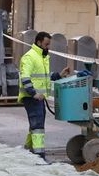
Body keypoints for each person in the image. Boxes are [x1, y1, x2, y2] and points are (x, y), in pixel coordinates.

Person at [18, 32, 70, 160]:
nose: (48, 47)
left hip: (38, 97)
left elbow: (44, 76)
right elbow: (25, 77)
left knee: (35, 124)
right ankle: (39, 155)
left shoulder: (41, 57)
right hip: (32, 97)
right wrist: (34, 94)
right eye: (46, 44)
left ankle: (28, 150)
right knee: (38, 126)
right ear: (39, 42)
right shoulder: (30, 57)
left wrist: (59, 75)